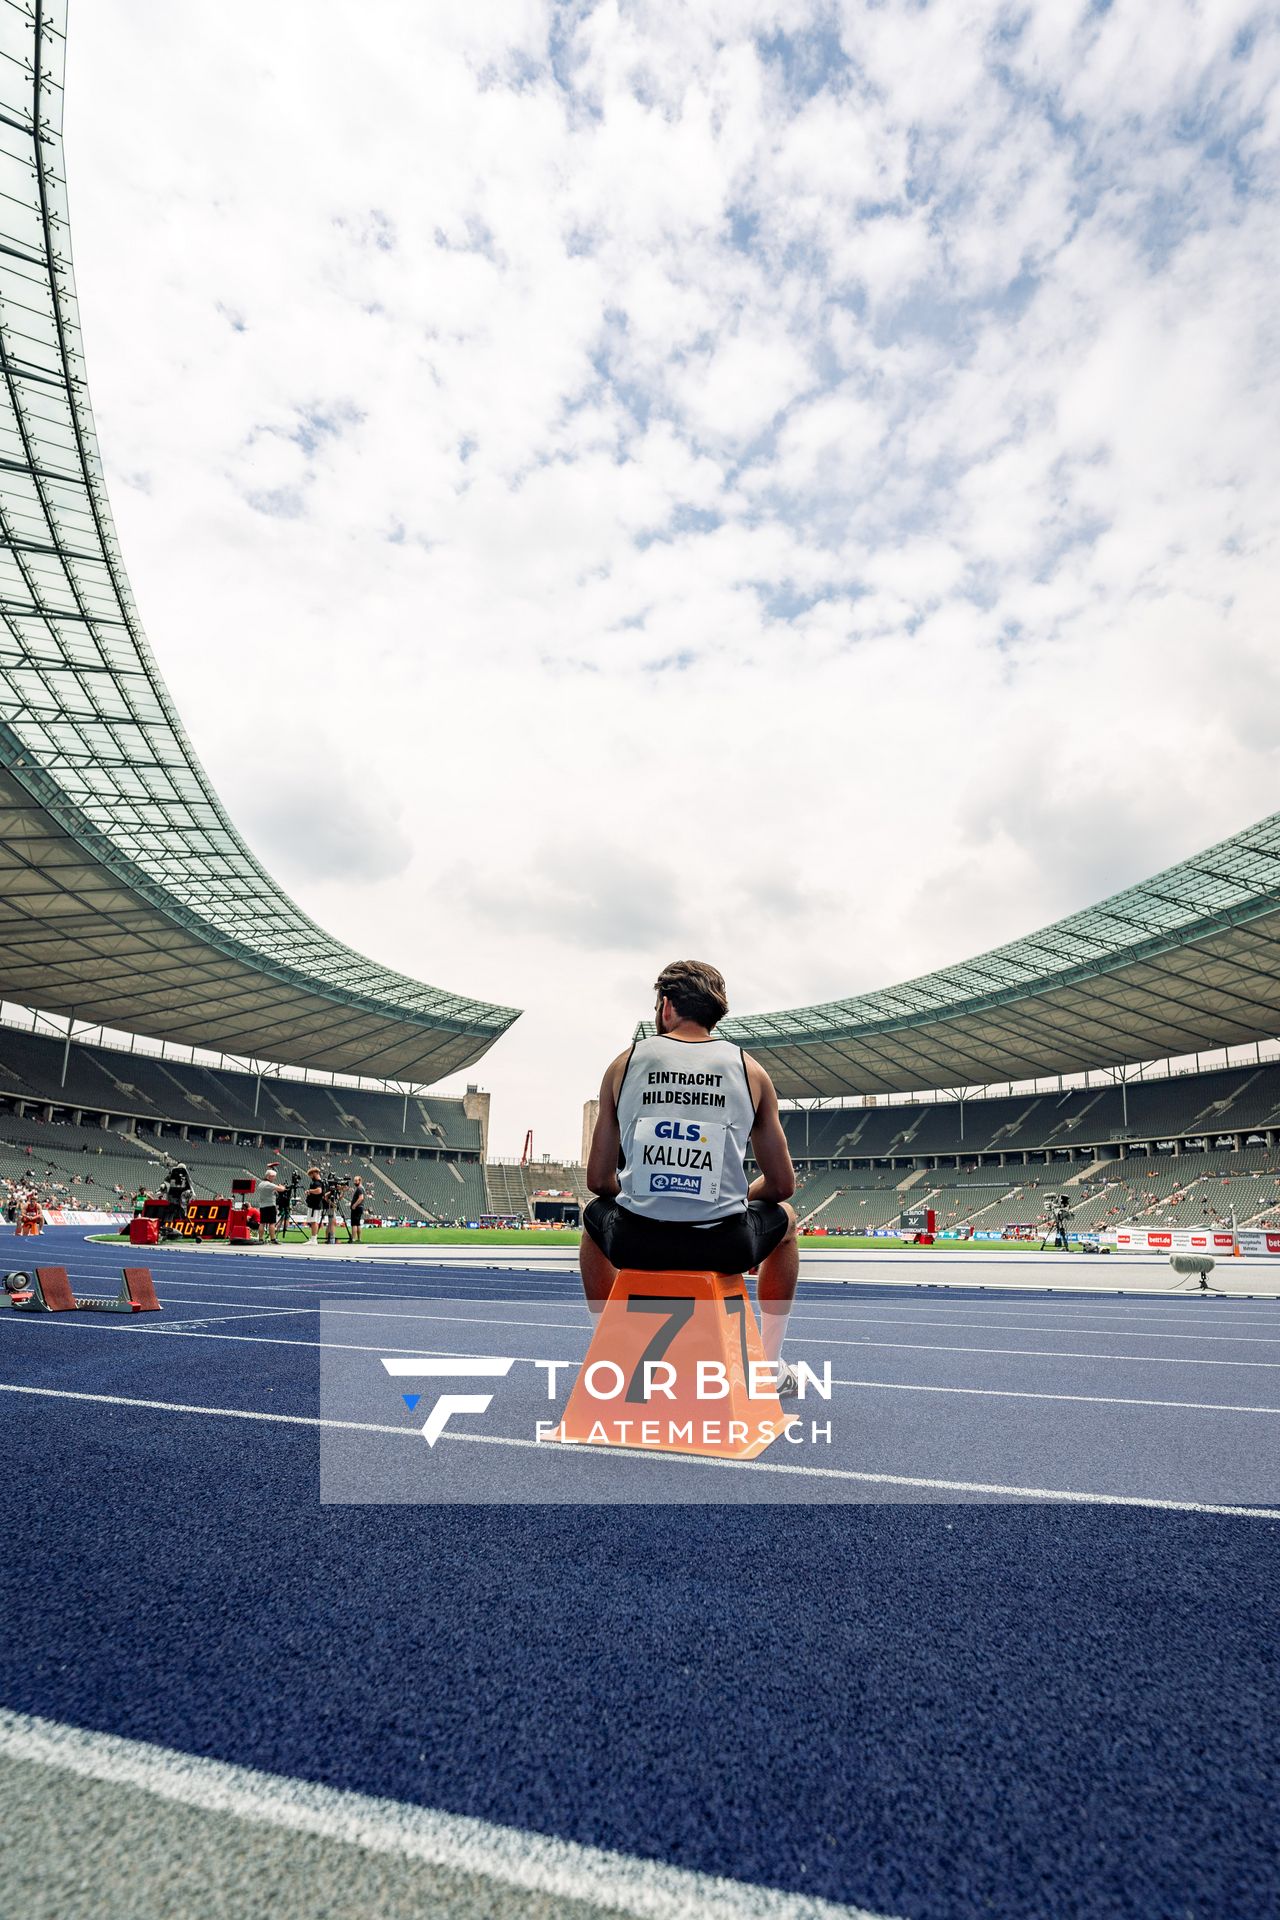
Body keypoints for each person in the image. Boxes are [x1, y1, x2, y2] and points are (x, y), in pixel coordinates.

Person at [581, 959, 801, 1395]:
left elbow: (599, 1182)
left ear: (666, 1007)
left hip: (635, 1240)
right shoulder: (751, 1072)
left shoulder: (623, 1066)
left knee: (592, 1221)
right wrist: (736, 1195)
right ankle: (767, 1367)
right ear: (714, 1011)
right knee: (788, 1220)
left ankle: (611, 1355)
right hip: (724, 1243)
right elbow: (781, 1186)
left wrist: (644, 1187)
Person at [257, 1165, 283, 1245]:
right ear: (269, 1176)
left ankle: (260, 1239)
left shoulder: (260, 1184)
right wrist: (282, 1186)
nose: (274, 1178)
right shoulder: (269, 1184)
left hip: (262, 1206)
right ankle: (273, 1239)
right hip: (270, 1205)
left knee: (262, 1223)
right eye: (273, 1176)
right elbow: (281, 1189)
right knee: (272, 1223)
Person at [305, 1165, 326, 1243]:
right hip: (316, 1204)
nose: (310, 1177)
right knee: (314, 1222)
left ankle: (314, 1239)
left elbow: (319, 1191)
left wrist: (309, 1191)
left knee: (314, 1222)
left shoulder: (317, 1183)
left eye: (311, 1175)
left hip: (314, 1205)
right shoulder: (320, 1182)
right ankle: (313, 1238)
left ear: (315, 1173)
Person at [349, 1175, 366, 1243]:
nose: (355, 1182)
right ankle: (359, 1239)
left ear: (360, 1181)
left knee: (354, 1224)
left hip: (357, 1208)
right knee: (358, 1223)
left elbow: (361, 1198)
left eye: (356, 1181)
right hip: (360, 1207)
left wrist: (354, 1205)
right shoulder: (362, 1188)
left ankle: (353, 1239)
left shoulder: (359, 1188)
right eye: (354, 1181)